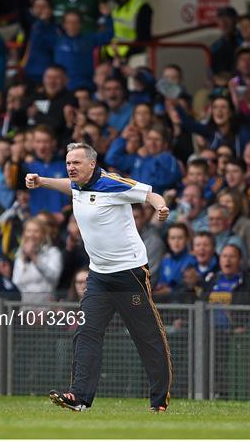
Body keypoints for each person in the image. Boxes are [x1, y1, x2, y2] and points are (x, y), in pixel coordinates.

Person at [26, 142, 172, 413]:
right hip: (98, 275)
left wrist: (161, 208)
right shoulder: (77, 185)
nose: (71, 168)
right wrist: (41, 181)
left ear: (92, 164)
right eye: (68, 163)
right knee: (86, 333)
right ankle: (79, 397)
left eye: (76, 163)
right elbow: (66, 186)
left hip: (129, 273)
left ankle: (159, 400)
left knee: (147, 336)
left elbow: (150, 194)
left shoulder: (111, 183)